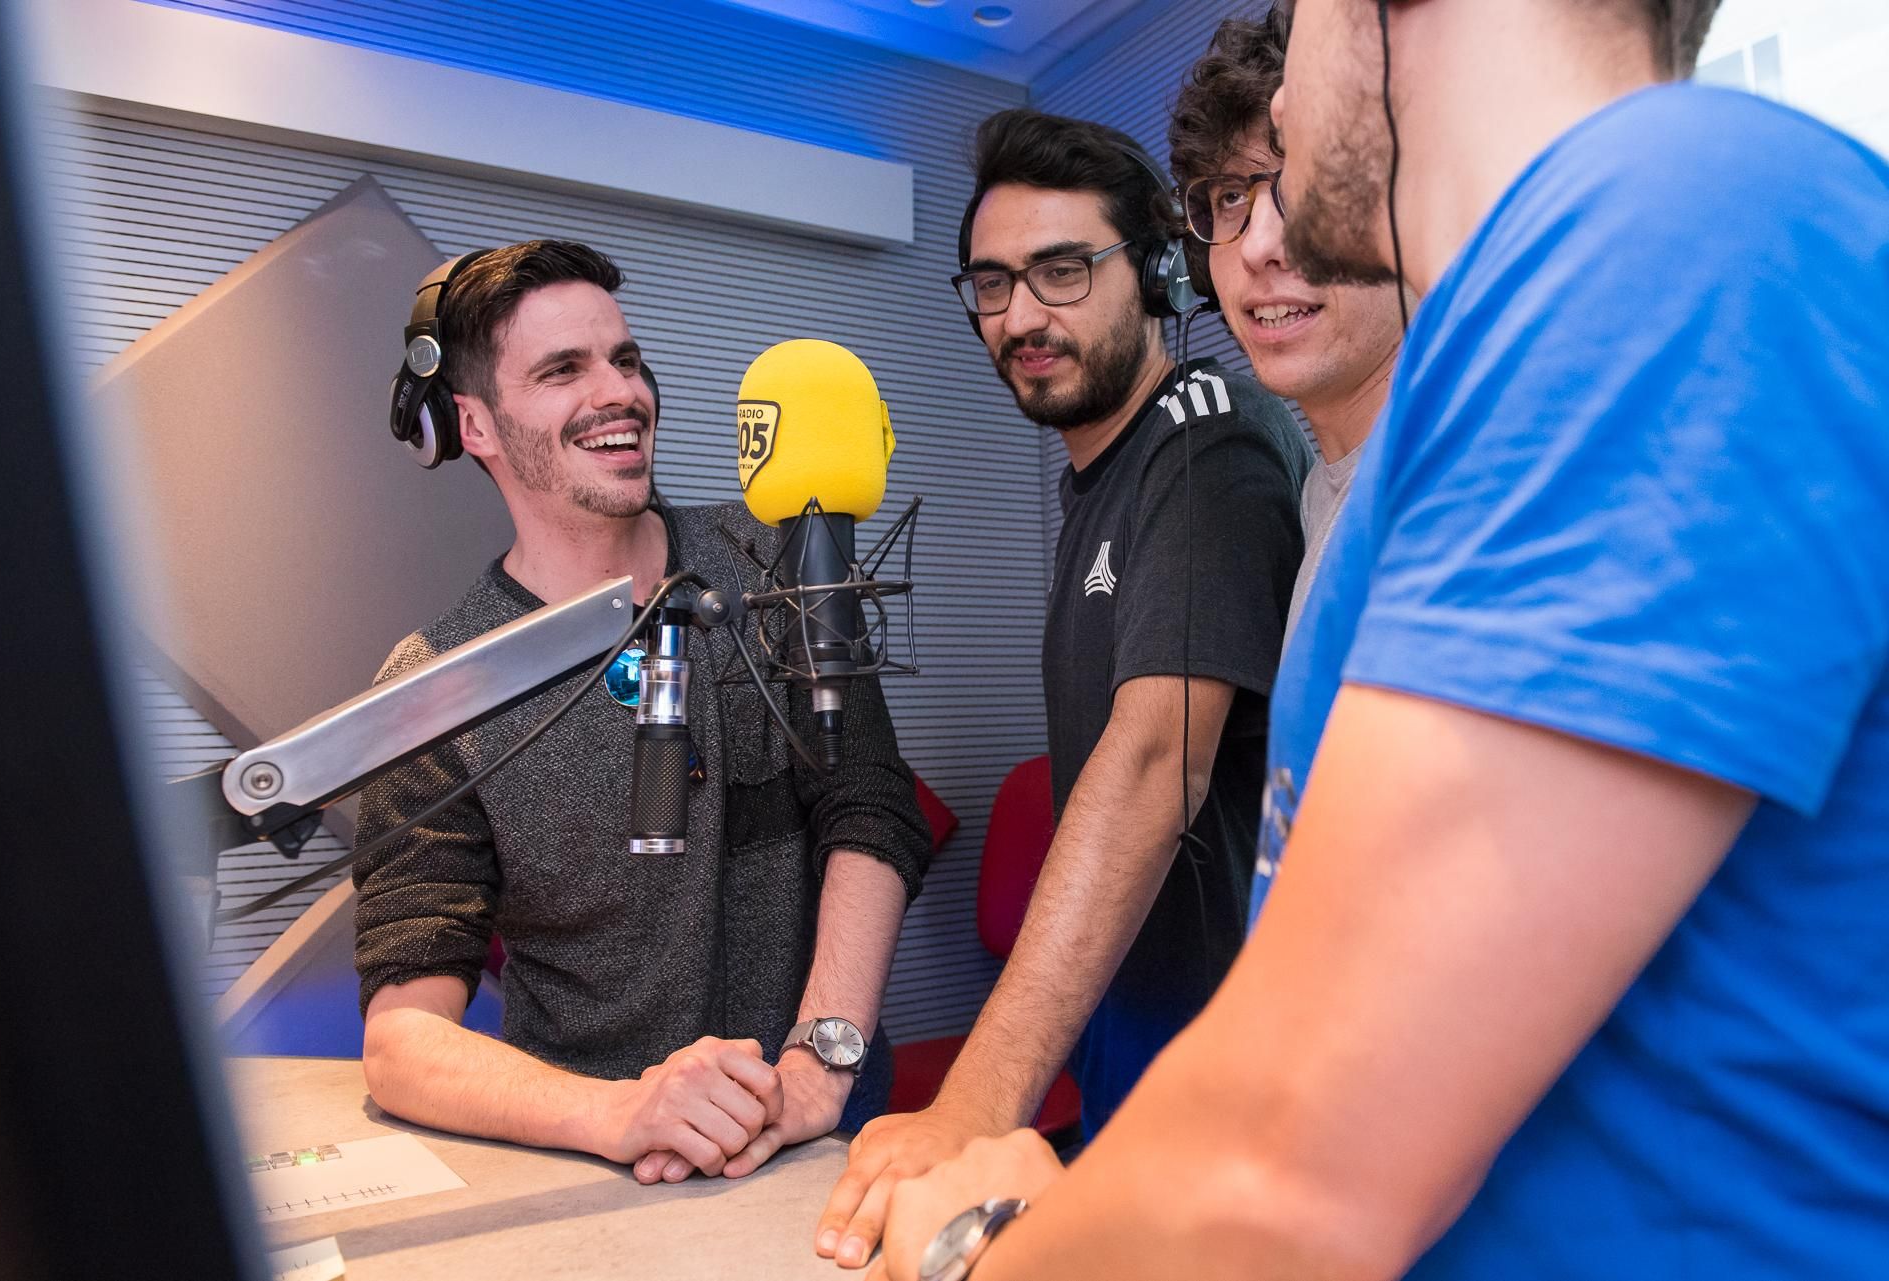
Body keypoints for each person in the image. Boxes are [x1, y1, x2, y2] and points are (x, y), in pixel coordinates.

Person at [877, 0, 1889, 1277]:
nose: (1264, 221)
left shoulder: (1667, 220)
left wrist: (974, 1248)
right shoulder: (1420, 446)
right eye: (1223, 202)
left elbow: (1301, 1160)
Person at [816, 109, 1310, 1270]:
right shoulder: (1101, 481)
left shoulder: (1205, 443)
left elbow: (1154, 760)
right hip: (1129, 1066)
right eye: (992, 284)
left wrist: (973, 1103)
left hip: (1225, 1094)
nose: (1022, 316)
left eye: (1062, 271)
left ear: (1159, 273)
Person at [352, 239, 930, 1188]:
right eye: (562, 370)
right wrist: (618, 1111)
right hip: (598, 1167)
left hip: (818, 1130)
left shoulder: (778, 562)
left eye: (624, 358)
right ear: (474, 423)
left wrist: (820, 1064)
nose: (618, 391)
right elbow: (402, 1039)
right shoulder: (438, 687)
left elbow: (871, 806)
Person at [1167, 4, 1402, 626]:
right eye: (1230, 197)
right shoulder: (1321, 497)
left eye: (1310, 183)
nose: (1257, 245)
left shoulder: (1465, 481)